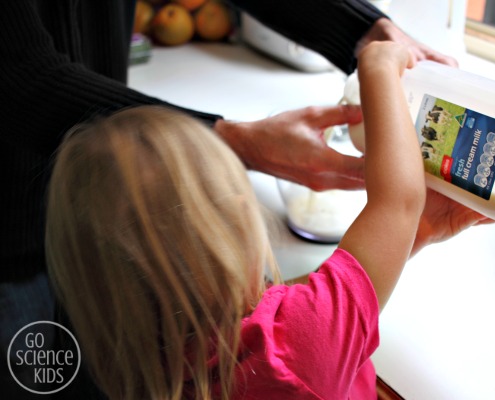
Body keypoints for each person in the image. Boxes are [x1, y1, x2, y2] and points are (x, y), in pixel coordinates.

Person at [0, 0, 459, 397]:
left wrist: (409, 237)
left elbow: (386, 232)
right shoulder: (299, 348)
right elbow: (395, 203)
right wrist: (378, 63)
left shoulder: (137, 362)